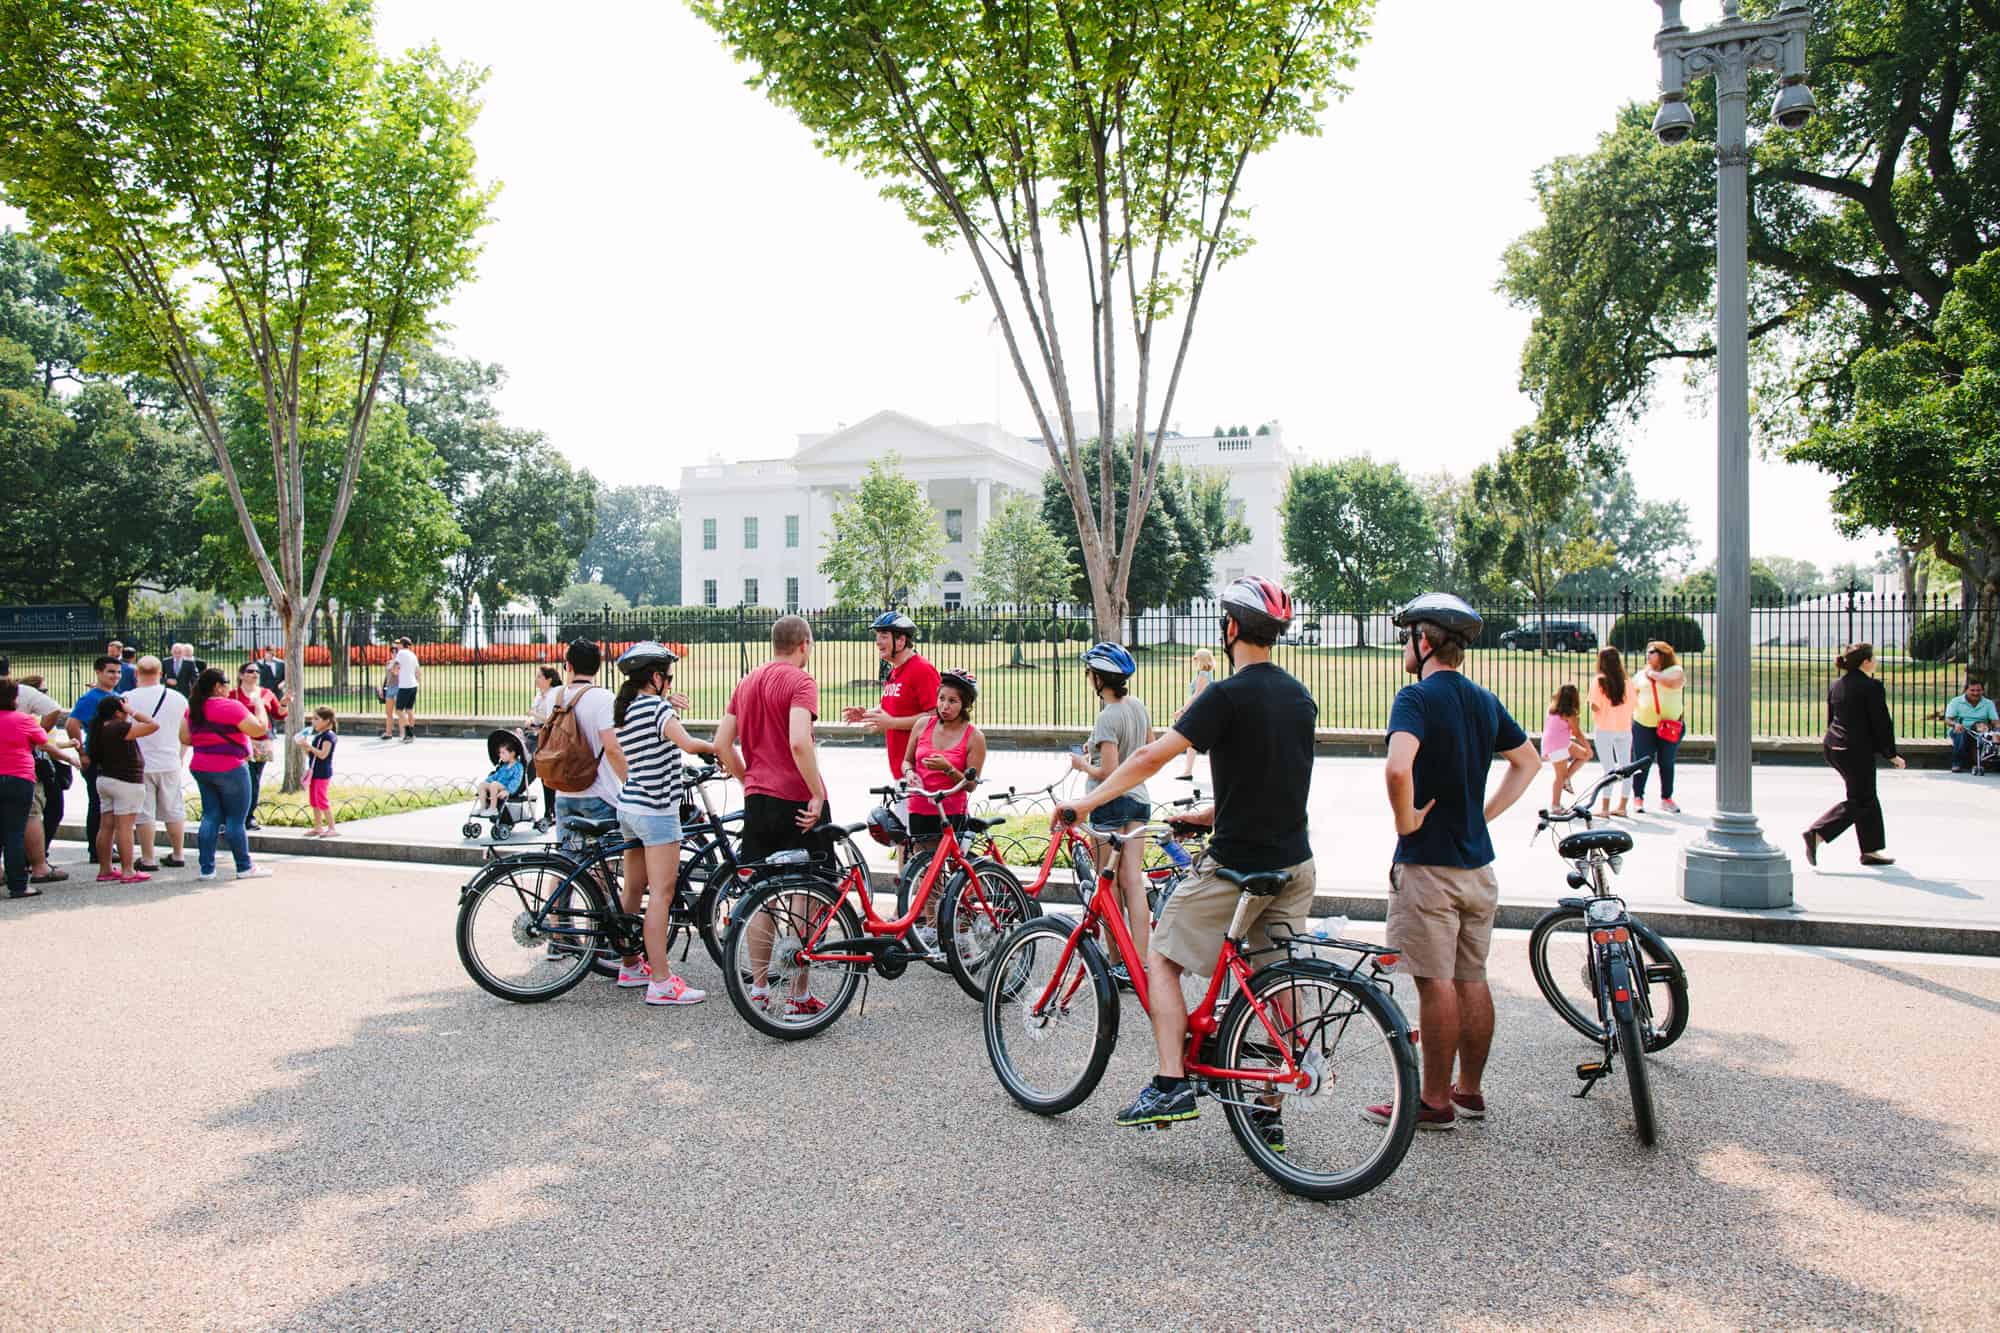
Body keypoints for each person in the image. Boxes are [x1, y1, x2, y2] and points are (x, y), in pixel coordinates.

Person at [1054, 576, 1316, 1143]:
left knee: (1162, 957)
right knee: (1277, 975)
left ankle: (1170, 1081)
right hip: (1295, 861)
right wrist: (1210, 814)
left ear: (1230, 629)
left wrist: (1087, 802)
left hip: (1234, 864)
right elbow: (1277, 782)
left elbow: (1150, 755)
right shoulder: (1300, 696)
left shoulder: (1222, 694)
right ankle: (1268, 1103)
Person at [1373, 592, 1541, 1133]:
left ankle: (1433, 1100)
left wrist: (1405, 823)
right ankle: (1469, 1091)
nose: (1405, 645)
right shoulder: (1483, 700)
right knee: (1472, 978)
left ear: (1424, 641)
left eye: (1408, 636)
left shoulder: (1415, 698)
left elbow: (1399, 770)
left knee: (1434, 982)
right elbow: (1529, 761)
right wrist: (1484, 814)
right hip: (1477, 867)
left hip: (1430, 867)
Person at [712, 614, 831, 1016]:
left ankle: (759, 988)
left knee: (761, 893)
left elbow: (721, 744)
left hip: (759, 799)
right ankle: (798, 994)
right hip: (797, 798)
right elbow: (800, 742)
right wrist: (816, 792)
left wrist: (751, 778)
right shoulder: (801, 681)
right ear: (804, 645)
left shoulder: (745, 683)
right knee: (806, 893)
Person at [610, 642, 716, 1006]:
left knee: (634, 889)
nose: (670, 684)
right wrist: (719, 748)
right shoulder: (656, 707)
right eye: (668, 677)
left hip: (631, 807)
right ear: (655, 678)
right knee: (661, 895)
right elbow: (686, 744)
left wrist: (669, 709)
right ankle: (661, 981)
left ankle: (630, 965)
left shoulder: (627, 709)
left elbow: (655, 749)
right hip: (657, 812)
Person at [1070, 641, 1153, 985]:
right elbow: (1148, 746)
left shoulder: (1107, 715)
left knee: (1110, 884)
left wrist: (1082, 764)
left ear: (1099, 679)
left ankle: (1118, 963)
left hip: (1109, 803)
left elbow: (1109, 771)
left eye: (1090, 673)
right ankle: (1142, 964)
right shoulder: (1137, 706)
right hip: (1139, 800)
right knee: (1134, 881)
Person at [905, 667, 986, 952]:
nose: (945, 706)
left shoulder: (973, 737)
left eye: (952, 701)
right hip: (920, 807)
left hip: (951, 812)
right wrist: (909, 774)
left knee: (954, 873)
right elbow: (907, 762)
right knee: (927, 872)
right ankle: (929, 928)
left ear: (965, 704)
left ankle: (961, 932)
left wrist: (949, 769)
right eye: (941, 699)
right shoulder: (922, 726)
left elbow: (971, 784)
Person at [1804, 643, 1905, 868]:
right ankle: (1818, 833)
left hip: (1834, 747)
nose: (1876, 661)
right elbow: (1881, 723)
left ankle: (1870, 851)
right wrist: (1891, 754)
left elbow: (1832, 719)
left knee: (1865, 797)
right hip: (1855, 751)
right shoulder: (1871, 687)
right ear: (1866, 662)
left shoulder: (1837, 685)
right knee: (1862, 799)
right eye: (1874, 657)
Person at [180, 667, 272, 882]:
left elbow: (185, 737)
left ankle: (206, 869)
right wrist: (259, 705)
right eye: (226, 684)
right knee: (235, 820)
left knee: (210, 816)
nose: (228, 689)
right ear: (218, 687)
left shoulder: (193, 707)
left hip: (202, 765)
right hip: (231, 767)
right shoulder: (231, 706)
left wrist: (208, 740)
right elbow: (259, 729)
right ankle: (243, 866)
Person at [2, 657, 76, 884]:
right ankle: (37, 867)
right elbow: (48, 726)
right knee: (28, 819)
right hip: (20, 771)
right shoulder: (23, 716)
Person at [841, 611, 939, 780]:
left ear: (901, 641)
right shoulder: (895, 672)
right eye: (877, 636)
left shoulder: (922, 670)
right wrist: (866, 715)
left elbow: (936, 717)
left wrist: (892, 723)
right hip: (902, 771)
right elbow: (895, 708)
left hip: (921, 772)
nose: (877, 642)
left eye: (884, 636)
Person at [123, 656, 190, 870]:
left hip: (138, 761)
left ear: (136, 673)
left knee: (145, 812)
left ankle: (148, 857)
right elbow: (185, 733)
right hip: (169, 759)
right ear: (161, 673)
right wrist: (180, 755)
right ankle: (178, 853)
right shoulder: (178, 698)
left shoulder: (127, 698)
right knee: (174, 808)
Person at [86, 693, 159, 883]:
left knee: (106, 826)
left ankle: (105, 869)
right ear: (118, 711)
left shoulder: (98, 727)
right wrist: (132, 711)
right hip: (126, 781)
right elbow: (153, 725)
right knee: (125, 827)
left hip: (105, 780)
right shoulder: (119, 727)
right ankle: (128, 871)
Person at [67, 656, 124, 865]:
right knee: (98, 805)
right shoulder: (90, 698)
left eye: (118, 672)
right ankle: (96, 848)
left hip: (115, 758)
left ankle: (107, 846)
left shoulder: (117, 696)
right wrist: (82, 752)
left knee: (111, 806)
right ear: (98, 672)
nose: (115, 676)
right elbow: (72, 724)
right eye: (110, 672)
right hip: (98, 757)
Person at [1630, 640, 1686, 815]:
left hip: (1669, 726)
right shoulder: (1640, 675)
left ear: (1663, 654)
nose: (1648, 654)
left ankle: (1666, 798)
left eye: (1652, 651)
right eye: (1647, 651)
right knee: (1641, 761)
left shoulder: (1675, 671)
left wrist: (1654, 675)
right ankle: (1638, 797)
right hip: (1643, 724)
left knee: (1667, 761)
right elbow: (1632, 694)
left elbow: (1672, 683)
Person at [230, 663, 286, 830]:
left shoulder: (266, 693)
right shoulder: (233, 695)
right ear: (241, 675)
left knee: (254, 778)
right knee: (236, 779)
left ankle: (249, 816)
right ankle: (233, 815)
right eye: (250, 671)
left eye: (257, 671)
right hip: (239, 740)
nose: (254, 674)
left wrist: (284, 703)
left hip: (261, 741)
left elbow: (279, 714)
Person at [1588, 648, 1635, 817]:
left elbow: (1594, 705)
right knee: (1626, 767)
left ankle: (1605, 807)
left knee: (1608, 769)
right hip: (1624, 728)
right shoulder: (1627, 682)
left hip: (1604, 728)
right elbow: (1633, 705)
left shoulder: (1599, 681)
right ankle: (1622, 805)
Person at [1541, 684, 1591, 810]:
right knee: (1559, 776)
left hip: (1558, 742)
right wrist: (1588, 747)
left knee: (1583, 755)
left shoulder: (1552, 709)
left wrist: (1587, 751)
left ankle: (1566, 778)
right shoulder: (1569, 714)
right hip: (1558, 746)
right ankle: (1555, 804)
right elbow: (1577, 733)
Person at [526, 664, 562, 825]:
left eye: (540, 676)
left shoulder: (554, 694)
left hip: (548, 738)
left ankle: (551, 811)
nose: (536, 679)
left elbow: (549, 719)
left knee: (545, 775)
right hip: (536, 735)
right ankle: (549, 811)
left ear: (549, 679)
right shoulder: (539, 695)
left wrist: (533, 715)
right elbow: (535, 717)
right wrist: (530, 721)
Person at [1938, 677, 1996, 773]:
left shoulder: (1988, 703)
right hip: (1961, 728)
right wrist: (1955, 724)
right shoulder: (1956, 701)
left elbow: (1995, 721)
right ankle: (1957, 763)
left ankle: (1981, 763)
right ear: (1966, 690)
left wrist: (1994, 728)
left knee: (1988, 736)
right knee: (1961, 733)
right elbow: (1948, 720)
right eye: (1972, 690)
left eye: (1978, 690)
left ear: (1982, 691)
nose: (1975, 693)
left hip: (1980, 729)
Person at [1176, 649, 1215, 781]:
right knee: (1192, 742)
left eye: (1196, 658)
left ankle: (1188, 771)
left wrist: (1182, 710)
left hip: (1199, 711)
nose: (1194, 660)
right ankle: (1187, 771)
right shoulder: (1204, 674)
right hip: (1201, 710)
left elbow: (1197, 694)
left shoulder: (1203, 674)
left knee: (1194, 741)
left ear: (1202, 659)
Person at [301, 707, 339, 838]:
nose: (313, 721)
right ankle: (318, 827)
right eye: (313, 718)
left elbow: (323, 755)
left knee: (322, 799)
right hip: (314, 771)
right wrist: (305, 747)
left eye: (316, 719)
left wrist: (310, 748)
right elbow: (312, 755)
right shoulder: (318, 736)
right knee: (314, 800)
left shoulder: (329, 736)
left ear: (327, 721)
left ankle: (332, 827)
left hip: (323, 773)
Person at [475, 740, 525, 814]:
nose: (500, 755)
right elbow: (495, 776)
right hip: (496, 785)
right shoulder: (504, 766)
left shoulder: (518, 767)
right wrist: (487, 781)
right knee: (482, 785)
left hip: (506, 787)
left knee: (494, 784)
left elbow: (516, 781)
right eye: (500, 753)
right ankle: (483, 807)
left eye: (503, 753)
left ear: (512, 753)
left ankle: (493, 809)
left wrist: (508, 791)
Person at [391, 637, 422, 743]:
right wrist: (418, 682)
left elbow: (396, 666)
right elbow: (418, 671)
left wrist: (395, 672)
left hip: (405, 686)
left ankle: (409, 733)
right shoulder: (413, 655)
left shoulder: (401, 653)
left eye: (399, 644)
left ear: (402, 644)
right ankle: (411, 734)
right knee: (409, 710)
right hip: (413, 685)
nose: (397, 646)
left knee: (399, 710)